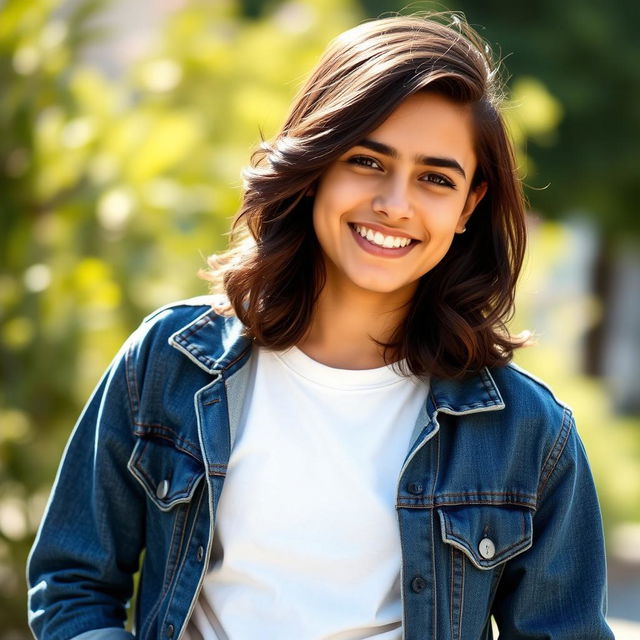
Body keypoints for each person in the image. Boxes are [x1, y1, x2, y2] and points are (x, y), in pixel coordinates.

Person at [27, 13, 614, 640]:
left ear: (469, 205)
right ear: (317, 164)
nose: (395, 203)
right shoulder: (170, 364)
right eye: (367, 161)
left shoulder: (523, 433)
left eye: (436, 179)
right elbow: (73, 584)